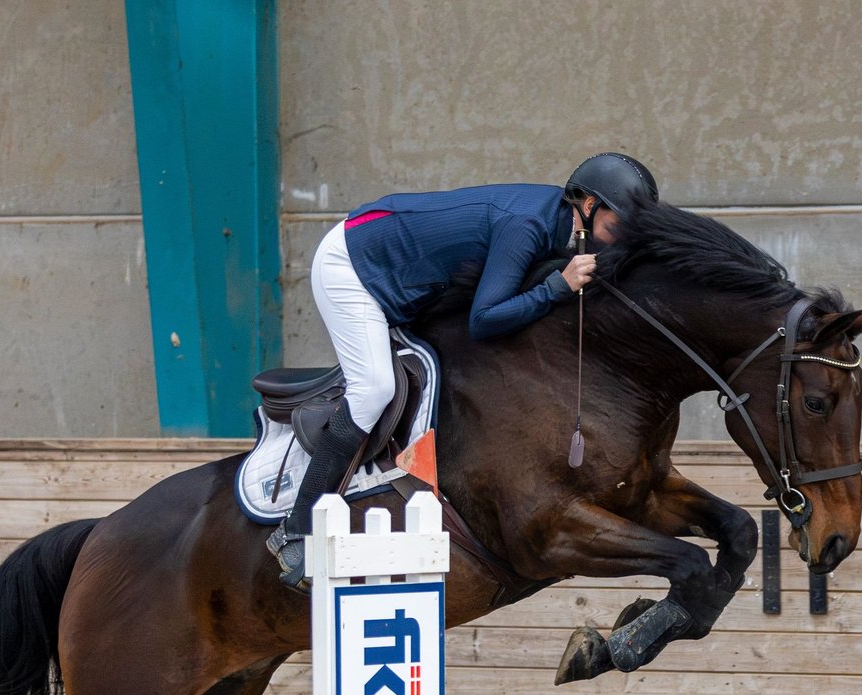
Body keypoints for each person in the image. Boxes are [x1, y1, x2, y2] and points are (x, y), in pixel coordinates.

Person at [267, 152, 660, 588]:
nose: (623, 236)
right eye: (620, 223)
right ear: (588, 206)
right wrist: (557, 287)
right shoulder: (527, 225)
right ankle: (296, 527)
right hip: (353, 266)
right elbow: (485, 318)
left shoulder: (561, 225)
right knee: (374, 388)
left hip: (406, 271)